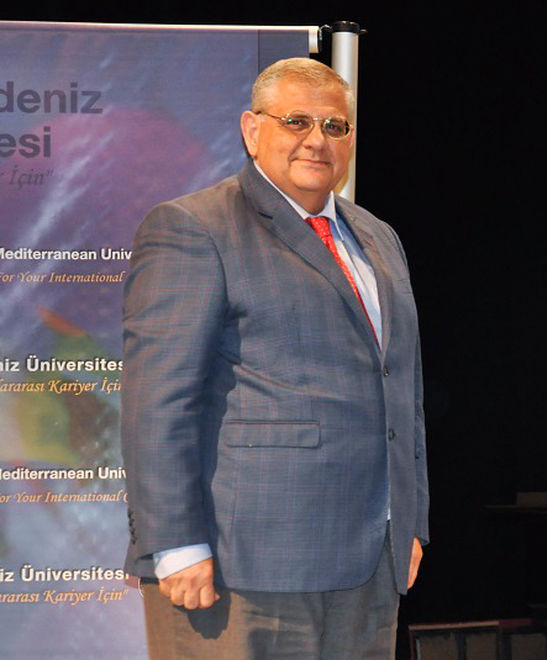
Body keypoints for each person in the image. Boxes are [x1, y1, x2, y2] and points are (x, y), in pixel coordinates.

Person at [121, 57, 429, 658]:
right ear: (251, 129)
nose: (317, 140)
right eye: (296, 121)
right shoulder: (193, 227)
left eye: (335, 126)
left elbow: (401, 388)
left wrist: (409, 521)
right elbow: (158, 402)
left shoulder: (378, 237)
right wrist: (176, 544)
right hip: (241, 569)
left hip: (369, 566)